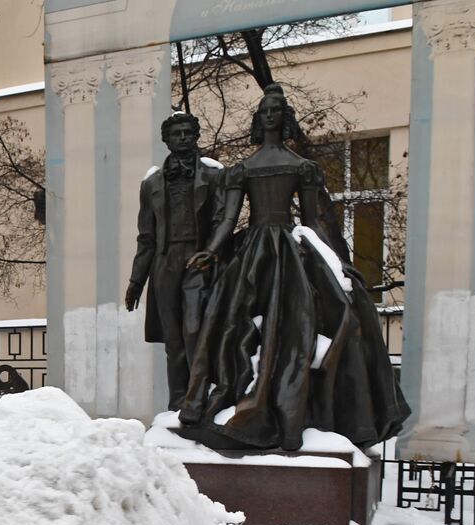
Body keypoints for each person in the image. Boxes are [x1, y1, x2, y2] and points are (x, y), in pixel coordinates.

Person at [180, 84, 409, 451]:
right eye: (265, 111)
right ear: (259, 119)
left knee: (304, 320)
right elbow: (228, 222)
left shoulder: (302, 167)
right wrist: (210, 251)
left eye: (276, 111)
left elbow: (316, 221)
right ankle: (222, 400)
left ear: (285, 119)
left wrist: (337, 262)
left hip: (290, 246)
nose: (270, 116)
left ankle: (296, 410)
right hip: (254, 249)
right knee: (230, 323)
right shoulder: (242, 170)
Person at [125, 112, 224, 410]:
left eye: (187, 132)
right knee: (173, 340)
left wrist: (212, 252)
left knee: (194, 331)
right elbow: (146, 237)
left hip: (199, 260)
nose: (182, 138)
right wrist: (136, 282)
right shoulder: (152, 183)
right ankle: (179, 403)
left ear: (196, 136)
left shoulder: (214, 176)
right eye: (176, 134)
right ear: (166, 140)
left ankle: (200, 399)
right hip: (165, 263)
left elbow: (222, 221)